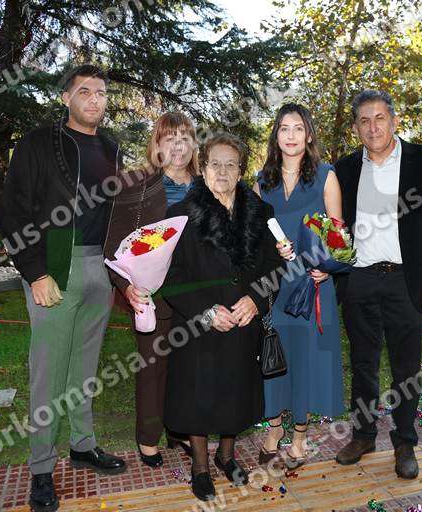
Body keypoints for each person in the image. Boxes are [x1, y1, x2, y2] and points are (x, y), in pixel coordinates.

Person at [0, 64, 126, 512]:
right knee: (47, 374)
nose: (94, 99)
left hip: (100, 269)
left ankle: (83, 445)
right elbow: (13, 211)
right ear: (66, 98)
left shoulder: (111, 148)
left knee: (85, 368)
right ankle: (40, 470)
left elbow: (117, 213)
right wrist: (35, 272)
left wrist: (125, 270)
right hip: (54, 267)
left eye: (101, 92)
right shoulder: (38, 143)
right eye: (84, 91)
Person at [334, 90, 422, 479]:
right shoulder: (344, 169)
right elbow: (335, 228)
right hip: (360, 280)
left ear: (394, 120)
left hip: (408, 282)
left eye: (380, 118)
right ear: (356, 128)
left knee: (406, 369)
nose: (373, 127)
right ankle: (363, 435)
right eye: (364, 121)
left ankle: (405, 442)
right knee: (363, 365)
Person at [161, 133, 283, 501]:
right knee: (197, 395)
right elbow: (169, 277)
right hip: (199, 324)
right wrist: (205, 311)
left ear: (242, 170)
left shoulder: (262, 213)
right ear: (202, 167)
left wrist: (256, 300)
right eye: (216, 163)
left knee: (235, 391)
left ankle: (226, 456)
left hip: (243, 320)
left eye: (231, 164)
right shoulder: (179, 215)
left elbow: (276, 266)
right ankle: (200, 466)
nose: (223, 171)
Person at [104, 112, 198, 468]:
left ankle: (181, 429)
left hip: (197, 294)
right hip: (152, 294)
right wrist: (127, 286)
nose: (178, 145)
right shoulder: (136, 186)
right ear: (157, 144)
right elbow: (114, 244)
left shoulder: (205, 186)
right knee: (153, 369)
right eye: (170, 137)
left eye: (185, 137)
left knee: (189, 367)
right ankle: (148, 438)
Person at [253, 103, 344, 467]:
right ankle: (274, 428)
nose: (291, 136)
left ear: (308, 135)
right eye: (284, 128)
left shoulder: (326, 176)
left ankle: (300, 437)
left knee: (305, 360)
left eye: (298, 128)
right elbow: (252, 238)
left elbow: (338, 235)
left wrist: (328, 268)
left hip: (311, 285)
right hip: (274, 286)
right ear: (276, 136)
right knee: (273, 356)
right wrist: (270, 248)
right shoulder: (262, 182)